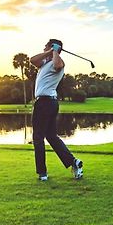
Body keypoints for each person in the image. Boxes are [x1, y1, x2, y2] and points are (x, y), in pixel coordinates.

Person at [30, 39, 83, 181]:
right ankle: (74, 162)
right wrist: (50, 51)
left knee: (38, 137)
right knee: (51, 137)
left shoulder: (58, 62)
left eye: (46, 46)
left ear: (52, 47)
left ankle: (42, 173)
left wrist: (54, 51)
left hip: (45, 103)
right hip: (49, 103)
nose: (43, 48)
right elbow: (32, 60)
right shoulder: (44, 63)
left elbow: (58, 64)